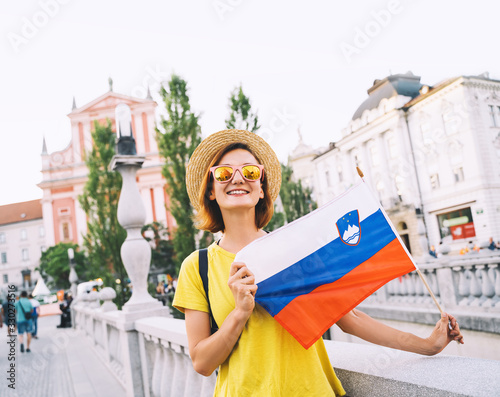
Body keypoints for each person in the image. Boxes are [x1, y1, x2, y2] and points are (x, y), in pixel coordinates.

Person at [172, 129, 464, 396]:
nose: (238, 179)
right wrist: (239, 314)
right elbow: (202, 362)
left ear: (261, 188)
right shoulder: (196, 267)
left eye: (250, 172)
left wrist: (428, 345)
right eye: (223, 174)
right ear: (211, 190)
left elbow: (350, 320)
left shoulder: (294, 251)